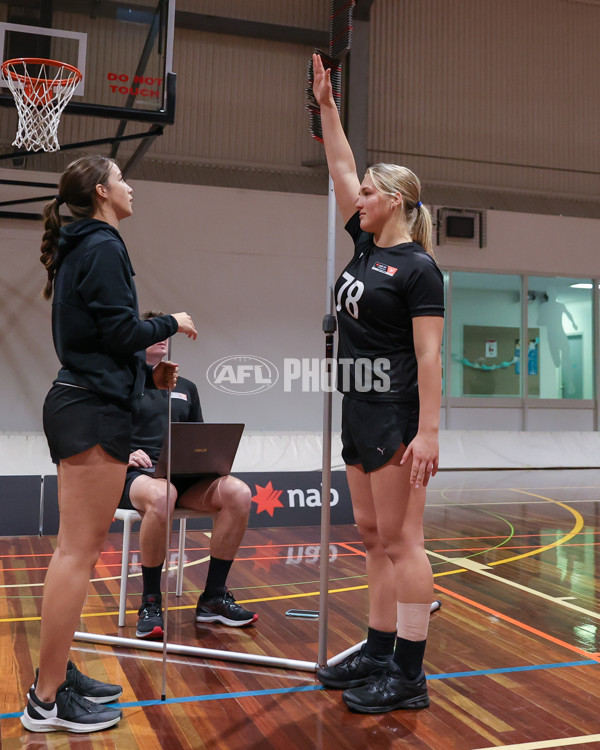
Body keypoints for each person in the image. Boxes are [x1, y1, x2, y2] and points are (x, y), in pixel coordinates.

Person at [22, 155, 197, 734]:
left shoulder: (87, 243)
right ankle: (46, 700)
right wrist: (171, 320)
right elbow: (123, 332)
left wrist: (144, 377)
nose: (131, 186)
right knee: (76, 552)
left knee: (76, 550)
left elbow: (101, 339)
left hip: (89, 404)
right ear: (102, 192)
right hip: (89, 412)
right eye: (122, 178)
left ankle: (55, 674)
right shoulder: (101, 245)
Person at [312, 54, 445, 714]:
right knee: (369, 537)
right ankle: (378, 647)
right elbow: (339, 168)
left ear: (394, 199)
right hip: (357, 407)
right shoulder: (367, 251)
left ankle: (411, 675)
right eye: (360, 191)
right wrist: (329, 110)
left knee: (402, 541)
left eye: (368, 191)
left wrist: (427, 434)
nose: (357, 197)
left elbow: (430, 358)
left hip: (395, 412)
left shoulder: (420, 269)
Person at [119, 312, 257, 640]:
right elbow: (100, 432)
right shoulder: (123, 383)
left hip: (183, 475)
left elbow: (198, 438)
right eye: (154, 333)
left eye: (166, 334)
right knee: (163, 494)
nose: (163, 338)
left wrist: (212, 461)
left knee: (239, 492)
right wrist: (122, 455)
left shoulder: (187, 388)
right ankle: (151, 602)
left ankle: (213, 597)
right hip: (138, 476)